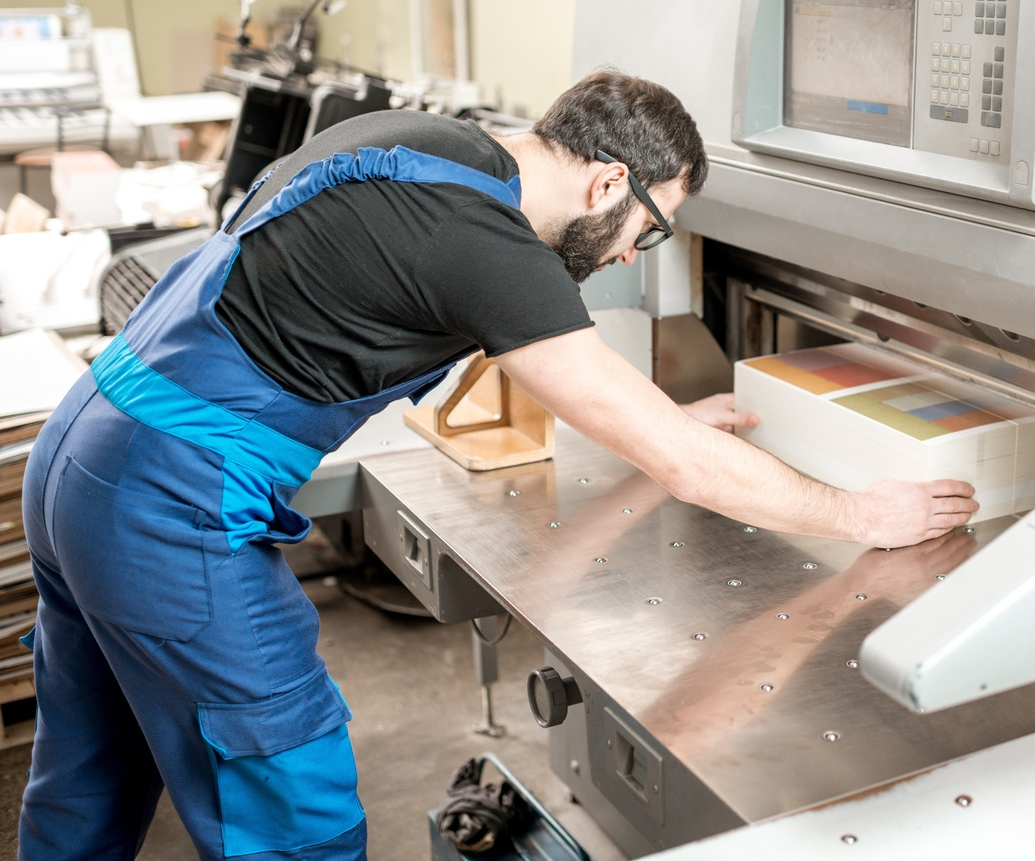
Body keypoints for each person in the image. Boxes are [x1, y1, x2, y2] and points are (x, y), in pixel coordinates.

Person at [18, 70, 977, 860]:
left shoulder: (435, 147)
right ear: (609, 184)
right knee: (290, 800)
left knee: (89, 778)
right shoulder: (488, 243)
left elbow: (542, 362)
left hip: (76, 455)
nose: (631, 255)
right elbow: (685, 468)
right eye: (651, 230)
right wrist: (862, 515)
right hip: (168, 506)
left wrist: (659, 414)